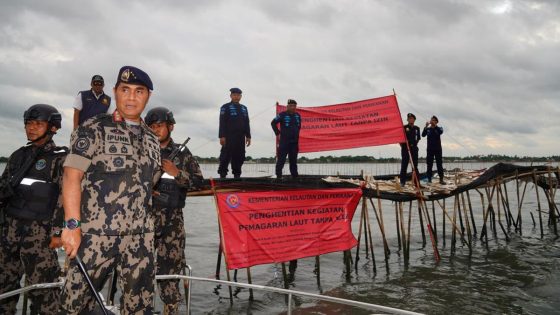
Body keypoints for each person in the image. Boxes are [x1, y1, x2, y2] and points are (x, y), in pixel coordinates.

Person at [60, 66, 161, 314]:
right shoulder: (94, 128)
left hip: (141, 239)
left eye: (139, 91)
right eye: (125, 90)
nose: (131, 97)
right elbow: (71, 177)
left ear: (147, 96)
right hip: (96, 236)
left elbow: (151, 183)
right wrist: (72, 226)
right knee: (75, 305)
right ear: (115, 92)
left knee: (139, 307)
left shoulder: (152, 138)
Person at [0, 104, 67, 314]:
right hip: (9, 231)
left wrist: (57, 232)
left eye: (38, 123)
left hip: (40, 235)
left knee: (43, 292)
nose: (31, 128)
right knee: (4, 286)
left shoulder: (60, 158)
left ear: (53, 128)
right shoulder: (18, 156)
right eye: (29, 123)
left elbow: (65, 198)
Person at [145, 107, 203, 314]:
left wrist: (177, 173)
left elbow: (198, 182)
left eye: (159, 126)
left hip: (172, 223)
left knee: (170, 274)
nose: (155, 130)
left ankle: (171, 309)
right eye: (151, 127)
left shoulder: (183, 154)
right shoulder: (140, 152)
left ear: (170, 127)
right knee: (139, 272)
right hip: (143, 223)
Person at [217, 87, 251, 178]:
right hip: (228, 136)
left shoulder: (244, 108)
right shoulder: (225, 107)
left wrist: (248, 136)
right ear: (231, 96)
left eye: (238, 95)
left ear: (241, 96)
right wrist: (222, 136)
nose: (236, 97)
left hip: (240, 137)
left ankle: (237, 175)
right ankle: (222, 175)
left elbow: (247, 122)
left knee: (239, 156)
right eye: (234, 95)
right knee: (225, 156)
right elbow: (222, 122)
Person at [271, 99, 301, 179]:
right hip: (284, 142)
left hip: (294, 143)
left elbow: (299, 127)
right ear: (287, 106)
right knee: (281, 160)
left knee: (293, 161)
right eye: (291, 106)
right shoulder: (282, 115)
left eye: (294, 106)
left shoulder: (298, 115)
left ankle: (295, 177)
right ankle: (278, 176)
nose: (293, 107)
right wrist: (277, 133)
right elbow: (273, 123)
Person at [422, 115, 445, 184]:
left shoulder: (439, 128)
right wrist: (425, 127)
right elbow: (423, 135)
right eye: (432, 120)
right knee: (429, 165)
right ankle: (429, 179)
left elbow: (441, 132)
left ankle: (441, 179)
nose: (432, 121)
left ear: (437, 122)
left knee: (439, 164)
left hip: (438, 149)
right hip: (430, 149)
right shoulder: (428, 129)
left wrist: (435, 126)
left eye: (434, 120)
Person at [399, 113, 421, 186]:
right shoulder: (404, 127)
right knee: (404, 165)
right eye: (409, 118)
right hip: (405, 148)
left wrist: (413, 145)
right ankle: (402, 182)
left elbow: (418, 139)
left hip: (414, 148)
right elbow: (400, 139)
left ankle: (417, 183)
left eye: (412, 118)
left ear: (414, 120)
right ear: (407, 120)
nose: (411, 119)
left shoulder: (417, 128)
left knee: (415, 166)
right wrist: (403, 146)